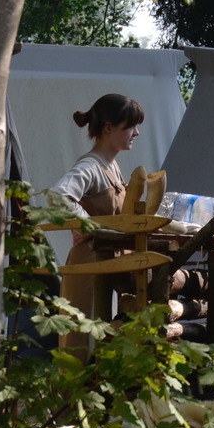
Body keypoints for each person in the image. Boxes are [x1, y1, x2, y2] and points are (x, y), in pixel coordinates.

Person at [48, 94, 144, 342]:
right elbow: (59, 197)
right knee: (79, 340)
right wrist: (85, 225)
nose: (137, 133)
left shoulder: (112, 166)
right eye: (131, 126)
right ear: (108, 128)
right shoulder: (90, 166)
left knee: (107, 337)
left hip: (107, 264)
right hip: (87, 264)